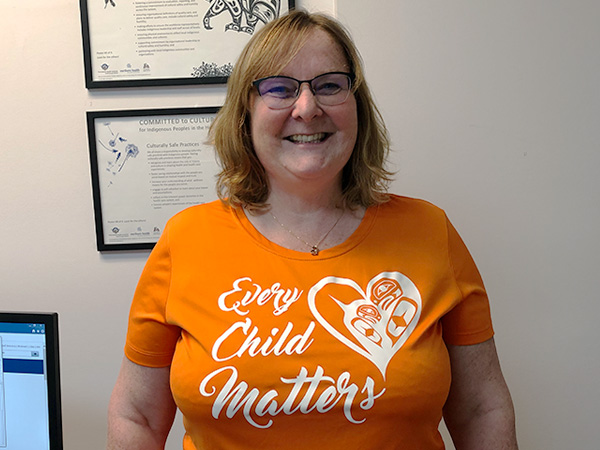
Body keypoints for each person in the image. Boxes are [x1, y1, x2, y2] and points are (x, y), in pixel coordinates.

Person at [107, 10, 518, 450]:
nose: (307, 108)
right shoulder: (185, 239)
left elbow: (481, 410)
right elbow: (138, 416)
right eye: (279, 89)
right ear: (246, 113)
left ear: (356, 104)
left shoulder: (430, 233)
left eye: (329, 85)